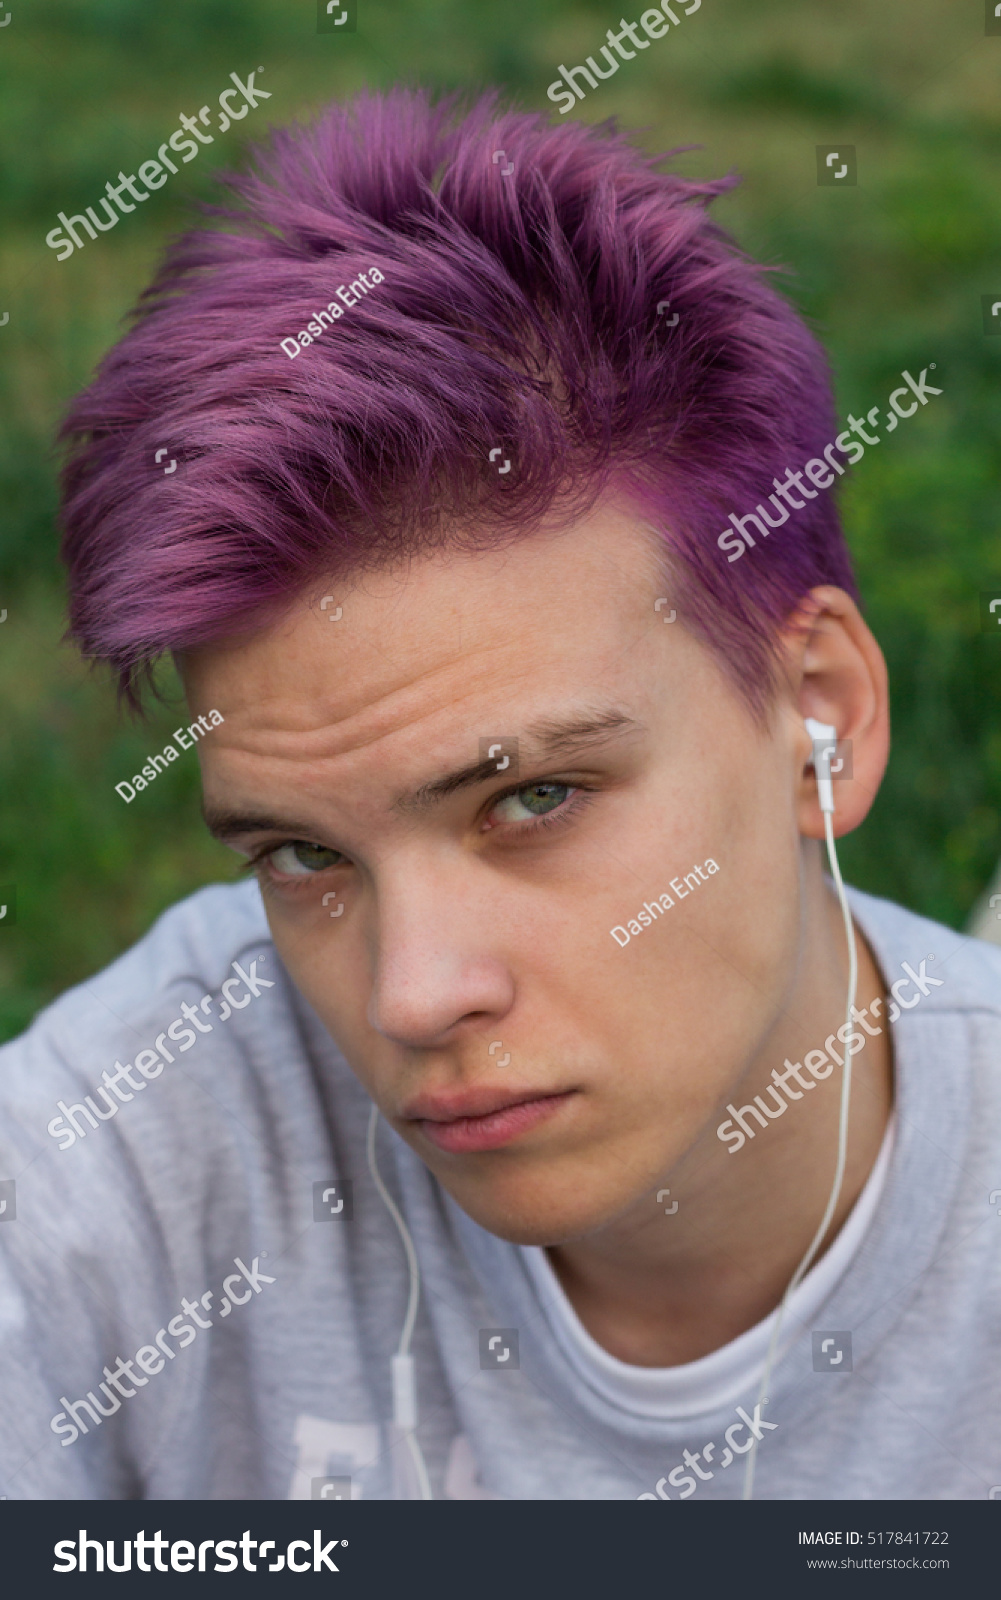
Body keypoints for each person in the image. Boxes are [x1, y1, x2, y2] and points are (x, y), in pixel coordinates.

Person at [2, 86, 998, 1503]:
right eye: (298, 852)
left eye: (530, 800)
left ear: (816, 715)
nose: (410, 996)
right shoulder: (139, 1156)